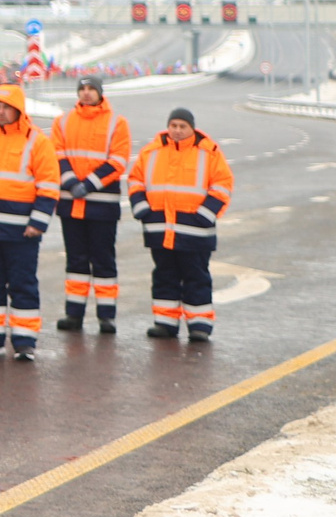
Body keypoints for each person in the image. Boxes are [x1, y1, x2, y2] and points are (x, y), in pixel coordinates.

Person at [0, 85, 57, 360]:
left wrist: (38, 222)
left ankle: (24, 340)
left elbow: (49, 184)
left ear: (18, 109)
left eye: (6, 107)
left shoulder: (36, 141)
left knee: (22, 284)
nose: (1, 112)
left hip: (22, 230)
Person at [130, 107, 233, 342]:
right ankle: (165, 323)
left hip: (195, 230)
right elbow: (136, 179)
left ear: (191, 128)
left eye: (182, 126)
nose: (177, 130)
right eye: (173, 125)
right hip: (159, 229)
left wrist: (205, 215)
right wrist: (141, 208)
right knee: (164, 275)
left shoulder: (209, 153)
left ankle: (200, 326)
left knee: (195, 276)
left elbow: (223, 184)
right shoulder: (151, 151)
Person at [49, 75, 132, 334]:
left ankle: (106, 316)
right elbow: (57, 155)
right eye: (82, 89)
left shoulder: (117, 123)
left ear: (100, 93)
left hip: (102, 206)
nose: (86, 94)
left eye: (91, 89)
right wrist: (73, 182)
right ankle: (74, 315)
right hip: (70, 205)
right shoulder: (62, 121)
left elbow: (118, 160)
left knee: (103, 261)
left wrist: (89, 184)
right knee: (76, 262)